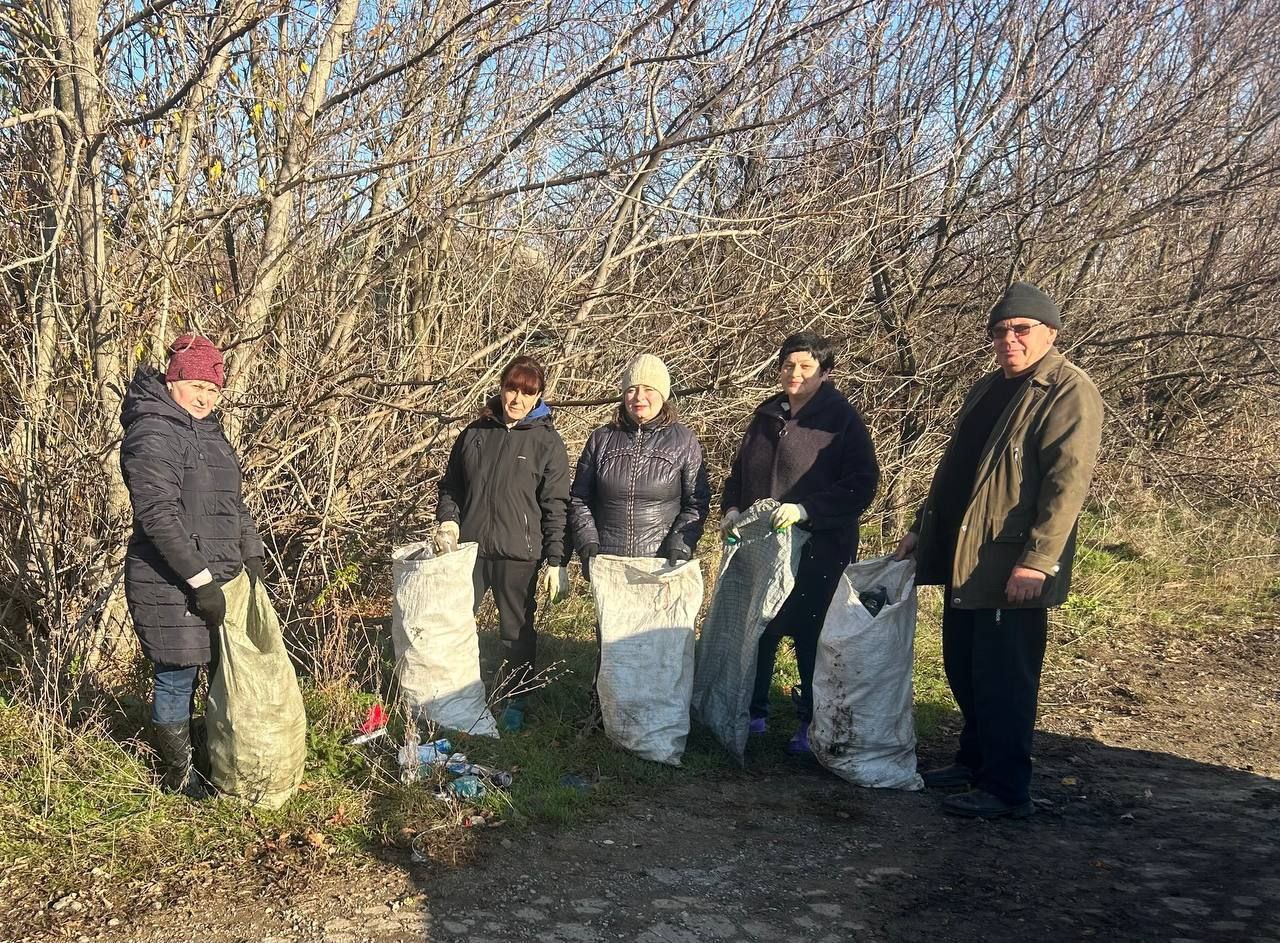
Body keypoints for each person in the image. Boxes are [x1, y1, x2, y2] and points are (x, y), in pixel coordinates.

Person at [894, 281, 1103, 819]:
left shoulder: (1066, 391)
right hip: (968, 557)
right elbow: (956, 470)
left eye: (1020, 329)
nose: (1008, 339)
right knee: (964, 667)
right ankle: (973, 762)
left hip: (1010, 562)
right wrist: (922, 527)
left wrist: (1038, 560)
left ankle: (1007, 788)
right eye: (999, 331)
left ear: (1049, 333)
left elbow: (1066, 486)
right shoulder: (986, 388)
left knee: (1005, 677)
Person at [720, 331, 879, 756]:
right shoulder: (767, 414)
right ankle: (754, 711)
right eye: (789, 365)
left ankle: (811, 721)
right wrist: (732, 508)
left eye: (806, 367)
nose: (795, 374)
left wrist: (808, 509)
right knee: (760, 627)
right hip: (762, 543)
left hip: (818, 547)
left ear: (825, 372)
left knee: (812, 633)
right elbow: (738, 471)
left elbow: (862, 484)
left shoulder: (840, 419)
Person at [120, 334, 265, 798]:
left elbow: (232, 505)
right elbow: (158, 516)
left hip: (220, 577)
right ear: (173, 379)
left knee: (219, 674)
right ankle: (179, 780)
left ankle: (211, 758)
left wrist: (252, 555)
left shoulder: (209, 432)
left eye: (213, 388)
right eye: (195, 384)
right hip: (168, 581)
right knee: (177, 676)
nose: (204, 396)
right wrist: (200, 581)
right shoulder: (152, 431)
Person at [569, 354, 711, 720]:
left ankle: (654, 715)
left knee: (653, 642)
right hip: (610, 561)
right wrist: (589, 546)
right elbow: (580, 498)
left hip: (659, 561)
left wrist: (680, 544)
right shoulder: (601, 439)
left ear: (663, 394)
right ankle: (604, 711)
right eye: (632, 388)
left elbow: (696, 502)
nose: (639, 397)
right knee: (611, 638)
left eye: (648, 389)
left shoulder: (684, 441)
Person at [435, 355, 571, 732]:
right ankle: (451, 693)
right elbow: (451, 486)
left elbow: (556, 504)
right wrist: (448, 521)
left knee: (516, 630)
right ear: (500, 387)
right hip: (470, 551)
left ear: (538, 396)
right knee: (456, 621)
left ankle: (517, 699)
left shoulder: (547, 442)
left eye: (527, 393)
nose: (517, 399)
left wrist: (557, 560)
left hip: (518, 553)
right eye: (512, 389)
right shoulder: (475, 433)